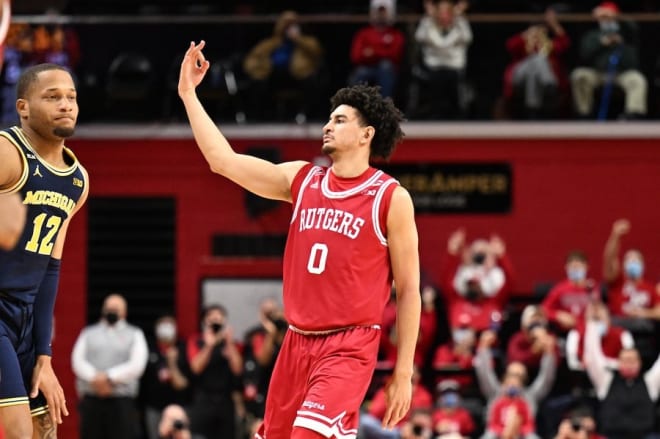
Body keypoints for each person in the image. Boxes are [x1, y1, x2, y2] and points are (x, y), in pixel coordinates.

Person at [179, 41, 421, 438]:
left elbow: (409, 290)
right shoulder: (303, 179)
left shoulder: (390, 197)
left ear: (366, 134)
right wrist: (189, 94)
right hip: (295, 343)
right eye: (329, 118)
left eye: (340, 120)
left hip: (349, 345)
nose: (328, 125)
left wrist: (403, 372)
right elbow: (222, 162)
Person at [0, 62, 89, 438]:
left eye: (70, 97)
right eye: (52, 97)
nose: (65, 104)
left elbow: (49, 272)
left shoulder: (78, 180)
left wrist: (44, 356)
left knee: (43, 430)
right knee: (20, 430)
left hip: (23, 318)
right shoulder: (7, 151)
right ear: (23, 107)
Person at [71, 293, 149, 439]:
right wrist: (95, 378)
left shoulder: (135, 334)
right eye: (109, 308)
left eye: (116, 308)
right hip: (92, 400)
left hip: (121, 403)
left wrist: (108, 377)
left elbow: (137, 365)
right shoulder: (88, 333)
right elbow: (77, 361)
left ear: (124, 312)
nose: (111, 311)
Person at [583, 302, 660, 439]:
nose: (629, 364)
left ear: (640, 363)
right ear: (618, 363)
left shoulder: (650, 382)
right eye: (625, 360)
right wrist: (593, 323)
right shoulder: (605, 381)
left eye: (633, 360)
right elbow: (593, 356)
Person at [570, 1, 647, 119]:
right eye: (603, 16)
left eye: (609, 16)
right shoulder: (593, 34)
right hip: (598, 74)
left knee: (637, 79)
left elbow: (633, 27)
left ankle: (633, 114)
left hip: (622, 74)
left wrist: (616, 18)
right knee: (579, 75)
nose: (606, 19)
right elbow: (584, 54)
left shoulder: (626, 32)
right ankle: (584, 114)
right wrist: (601, 43)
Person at [242, 10, 324, 122]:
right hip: (274, 75)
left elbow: (316, 52)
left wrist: (297, 39)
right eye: (286, 24)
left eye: (292, 24)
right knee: (258, 84)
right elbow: (252, 58)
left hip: (298, 76)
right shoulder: (272, 42)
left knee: (312, 83)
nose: (289, 28)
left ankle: (306, 115)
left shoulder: (307, 41)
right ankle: (261, 117)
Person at [185, 304, 243, 439]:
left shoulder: (231, 343)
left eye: (219, 317)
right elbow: (195, 368)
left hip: (225, 401)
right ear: (204, 321)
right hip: (203, 399)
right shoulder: (196, 341)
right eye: (211, 317)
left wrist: (229, 343)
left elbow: (238, 369)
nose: (216, 320)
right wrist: (209, 345)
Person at [502, 8, 570, 119]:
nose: (538, 32)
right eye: (536, 29)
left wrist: (555, 25)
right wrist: (526, 35)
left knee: (534, 70)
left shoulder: (549, 44)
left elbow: (565, 43)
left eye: (542, 30)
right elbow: (510, 46)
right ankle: (549, 83)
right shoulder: (523, 41)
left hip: (534, 78)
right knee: (537, 59)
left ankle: (532, 111)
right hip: (520, 77)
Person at [410, 0, 472, 119]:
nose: (444, 16)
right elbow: (419, 37)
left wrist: (458, 16)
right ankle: (435, 115)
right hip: (434, 68)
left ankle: (459, 116)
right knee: (436, 80)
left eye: (447, 13)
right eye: (441, 13)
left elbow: (468, 37)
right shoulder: (429, 24)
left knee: (452, 80)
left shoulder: (459, 25)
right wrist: (428, 17)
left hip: (454, 68)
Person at [140, 314, 192, 439]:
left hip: (178, 408)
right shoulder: (148, 349)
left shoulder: (183, 349)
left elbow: (182, 384)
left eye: (169, 325)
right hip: (153, 408)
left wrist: (172, 363)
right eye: (162, 325)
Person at [602, 218, 659, 330]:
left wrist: (643, 313)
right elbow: (609, 259)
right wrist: (615, 236)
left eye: (636, 260)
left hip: (642, 330)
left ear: (643, 265)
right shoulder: (617, 282)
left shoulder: (650, 288)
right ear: (623, 265)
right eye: (629, 260)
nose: (633, 263)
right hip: (620, 327)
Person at [348, 0, 405, 99]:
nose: (380, 15)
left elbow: (396, 55)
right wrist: (383, 51)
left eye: (383, 11)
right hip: (367, 68)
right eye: (378, 11)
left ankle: (384, 107)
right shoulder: (364, 33)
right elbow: (356, 56)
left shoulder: (396, 34)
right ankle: (356, 105)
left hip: (387, 71)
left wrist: (373, 52)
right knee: (360, 73)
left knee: (385, 67)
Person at [541, 250, 598, 334]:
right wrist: (557, 315)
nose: (575, 269)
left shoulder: (591, 288)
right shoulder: (560, 289)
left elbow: (597, 311)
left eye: (578, 266)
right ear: (566, 267)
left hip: (587, 332)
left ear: (586, 267)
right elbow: (543, 310)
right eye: (572, 267)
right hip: (565, 332)